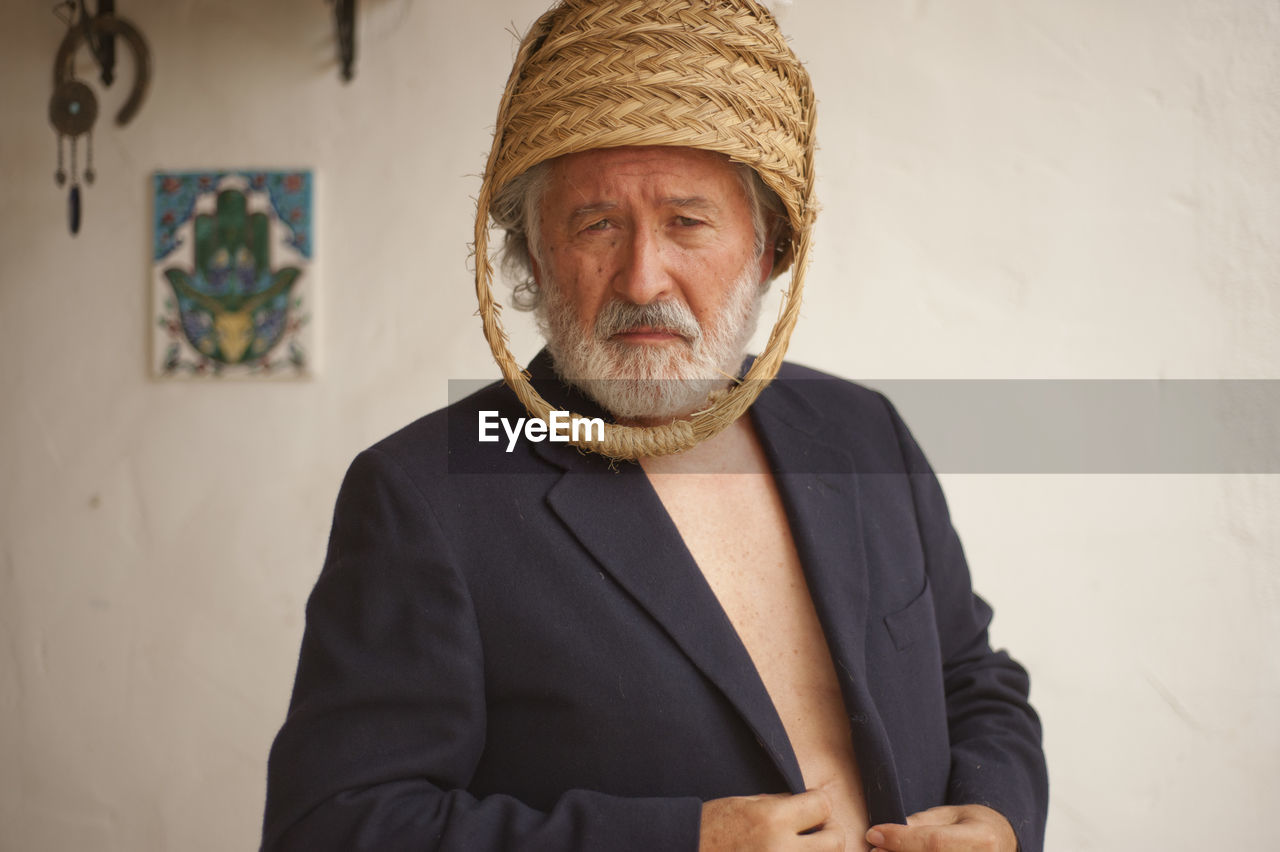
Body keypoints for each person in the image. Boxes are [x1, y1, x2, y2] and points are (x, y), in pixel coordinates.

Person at [262, 2, 1048, 850]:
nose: (642, 278)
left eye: (687, 221)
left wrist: (998, 817)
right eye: (596, 224)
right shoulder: (426, 492)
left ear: (770, 245)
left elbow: (972, 677)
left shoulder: (861, 431)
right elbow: (333, 829)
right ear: (530, 252)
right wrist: (685, 843)